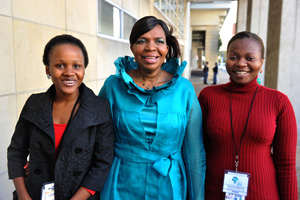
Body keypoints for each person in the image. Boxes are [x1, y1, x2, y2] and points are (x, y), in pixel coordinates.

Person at [99, 16, 206, 200]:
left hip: (168, 186)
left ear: (166, 48)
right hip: (120, 184)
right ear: (132, 47)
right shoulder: (113, 86)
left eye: (159, 41)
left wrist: (197, 197)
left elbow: (194, 152)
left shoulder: (184, 89)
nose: (150, 47)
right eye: (142, 41)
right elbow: (97, 140)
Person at [7, 34, 114, 200]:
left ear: (84, 68)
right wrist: (23, 195)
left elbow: (102, 164)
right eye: (60, 65)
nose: (69, 73)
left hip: (79, 196)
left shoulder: (100, 108)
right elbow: (16, 152)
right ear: (48, 69)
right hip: (34, 193)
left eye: (76, 66)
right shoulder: (34, 103)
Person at [198, 31, 298, 199]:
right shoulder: (208, 97)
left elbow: (286, 164)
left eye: (250, 58)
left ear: (261, 62)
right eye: (234, 57)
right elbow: (198, 152)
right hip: (213, 193)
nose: (241, 63)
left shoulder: (279, 102)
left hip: (263, 194)